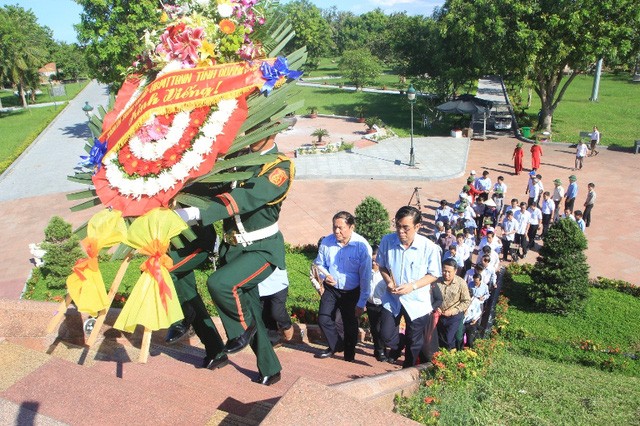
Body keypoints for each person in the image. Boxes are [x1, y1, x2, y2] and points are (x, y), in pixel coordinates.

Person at [174, 133, 293, 386]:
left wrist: (197, 212)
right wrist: (177, 192)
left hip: (261, 249)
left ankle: (237, 333)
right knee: (249, 311)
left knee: (221, 284)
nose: (250, 135)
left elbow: (248, 197)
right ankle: (269, 367)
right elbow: (214, 187)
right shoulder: (239, 158)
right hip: (233, 249)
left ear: (271, 130)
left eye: (257, 129)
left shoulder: (280, 166)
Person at [377, 206, 442, 368]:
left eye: (406, 228)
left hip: (417, 301)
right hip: (393, 298)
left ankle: (408, 368)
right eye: (398, 226)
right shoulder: (387, 241)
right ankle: (399, 345)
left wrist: (412, 286)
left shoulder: (429, 247)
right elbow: (382, 266)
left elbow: (434, 274)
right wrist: (389, 282)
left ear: (418, 226)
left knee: (415, 342)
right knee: (385, 334)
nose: (401, 231)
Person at [166, 224, 229, 371]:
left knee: (159, 271)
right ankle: (216, 351)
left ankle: (180, 317)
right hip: (172, 246)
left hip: (196, 240)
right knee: (188, 296)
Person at [314, 211, 372, 362]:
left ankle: (349, 355)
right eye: (334, 227)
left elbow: (366, 277)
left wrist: (362, 302)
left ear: (351, 227)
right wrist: (324, 275)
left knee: (350, 324)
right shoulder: (327, 242)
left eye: (340, 228)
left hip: (352, 291)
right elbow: (320, 264)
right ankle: (336, 345)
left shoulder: (362, 246)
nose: (336, 231)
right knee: (323, 318)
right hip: (332, 289)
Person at [436, 258, 471, 350]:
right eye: (444, 271)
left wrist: (453, 311)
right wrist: (436, 307)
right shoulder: (437, 281)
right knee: (438, 338)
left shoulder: (461, 283)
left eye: (449, 272)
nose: (446, 274)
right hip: (439, 315)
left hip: (454, 316)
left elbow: (466, 301)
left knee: (448, 338)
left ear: (455, 271)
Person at [259, 268, 294, 343]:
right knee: (264, 313)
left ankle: (286, 325)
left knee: (277, 312)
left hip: (278, 284)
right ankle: (274, 339)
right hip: (260, 287)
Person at [367, 246, 388, 362]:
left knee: (383, 330)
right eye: (372, 260)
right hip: (371, 304)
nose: (374, 263)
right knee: (375, 329)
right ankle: (378, 350)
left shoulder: (384, 273)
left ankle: (382, 349)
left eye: (376, 260)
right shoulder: (366, 272)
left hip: (383, 305)